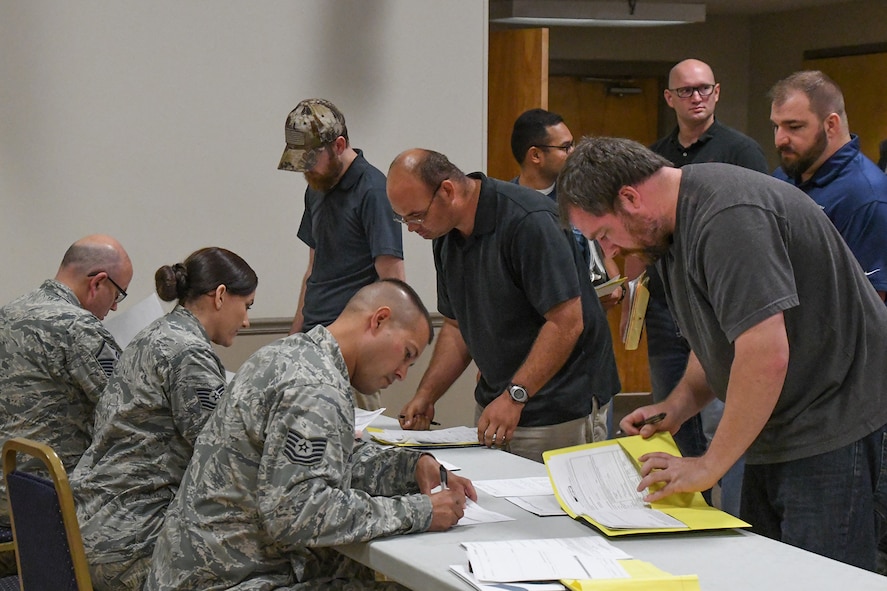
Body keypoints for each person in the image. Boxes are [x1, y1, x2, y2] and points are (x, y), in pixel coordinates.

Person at [558, 136, 887, 571]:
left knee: (822, 577)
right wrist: (678, 406)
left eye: (603, 234)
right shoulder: (668, 232)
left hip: (834, 418)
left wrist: (709, 465)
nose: (610, 251)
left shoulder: (728, 216)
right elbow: (720, 339)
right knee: (769, 573)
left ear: (630, 198)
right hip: (782, 422)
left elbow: (764, 353)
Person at [145, 279, 474, 591]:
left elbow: (322, 462)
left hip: (204, 572)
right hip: (236, 579)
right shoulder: (317, 387)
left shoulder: (292, 354)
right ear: (379, 320)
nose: (402, 374)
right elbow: (298, 514)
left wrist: (407, 469)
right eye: (407, 354)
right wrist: (421, 511)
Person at [387, 149, 620, 462]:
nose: (412, 227)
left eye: (416, 215)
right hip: (498, 405)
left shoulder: (529, 220)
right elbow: (457, 327)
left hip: (560, 408)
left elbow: (567, 322)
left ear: (447, 191)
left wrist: (515, 395)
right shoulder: (444, 235)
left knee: (559, 509)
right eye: (403, 219)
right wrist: (427, 394)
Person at [70, 247, 257, 590]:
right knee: (278, 561)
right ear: (220, 296)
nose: (246, 321)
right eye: (246, 306)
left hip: (94, 526)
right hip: (132, 543)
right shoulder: (188, 352)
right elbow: (225, 454)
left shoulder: (154, 334)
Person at [629, 58, 769, 516]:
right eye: (686, 91)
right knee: (673, 416)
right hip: (668, 305)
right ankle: (687, 510)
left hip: (725, 305)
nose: (696, 97)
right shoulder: (653, 158)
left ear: (717, 93)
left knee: (723, 419)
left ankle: (727, 508)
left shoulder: (740, 151)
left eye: (704, 89)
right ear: (669, 98)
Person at [279, 98, 404, 411]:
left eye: (310, 158)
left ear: (339, 145)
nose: (305, 168)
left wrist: (385, 354)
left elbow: (393, 281)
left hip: (353, 349)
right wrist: (295, 338)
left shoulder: (373, 190)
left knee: (352, 446)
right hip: (313, 341)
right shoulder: (316, 188)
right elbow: (313, 271)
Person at [0, 234, 131, 531]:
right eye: (118, 295)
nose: (113, 308)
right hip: (47, 498)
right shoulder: (78, 328)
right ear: (98, 282)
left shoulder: (10, 311)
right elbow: (128, 411)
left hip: (9, 490)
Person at [770, 70, 887, 302]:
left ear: (831, 125)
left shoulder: (867, 198)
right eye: (776, 126)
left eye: (794, 127)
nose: (779, 140)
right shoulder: (783, 176)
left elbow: (867, 311)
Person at [510, 108, 624, 310]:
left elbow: (600, 251)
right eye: (565, 148)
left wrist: (613, 286)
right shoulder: (506, 207)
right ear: (535, 155)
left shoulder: (581, 197)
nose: (574, 153)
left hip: (589, 325)